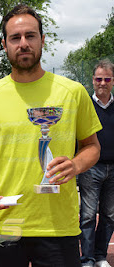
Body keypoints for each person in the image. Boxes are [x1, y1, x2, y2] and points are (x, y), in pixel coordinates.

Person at [0, 4, 102, 267]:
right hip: (3, 223)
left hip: (57, 226)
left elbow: (92, 147)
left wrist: (75, 165)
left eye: (30, 36)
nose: (23, 43)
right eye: (15, 38)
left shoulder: (72, 92)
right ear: (4, 44)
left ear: (42, 39)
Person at [78, 59, 114, 267]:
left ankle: (100, 257)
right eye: (99, 79)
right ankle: (87, 259)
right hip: (90, 168)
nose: (102, 83)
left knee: (109, 215)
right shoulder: (85, 106)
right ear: (93, 80)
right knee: (88, 215)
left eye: (107, 79)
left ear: (113, 81)